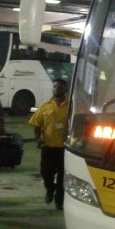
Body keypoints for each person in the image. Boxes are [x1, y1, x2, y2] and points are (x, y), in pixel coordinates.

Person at [29, 78, 69, 210]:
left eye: (60, 86)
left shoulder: (71, 106)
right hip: (48, 147)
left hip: (65, 149)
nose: (57, 88)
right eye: (55, 86)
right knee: (46, 173)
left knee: (62, 177)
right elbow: (36, 124)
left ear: (66, 89)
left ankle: (59, 200)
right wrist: (38, 138)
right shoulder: (44, 106)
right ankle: (50, 189)